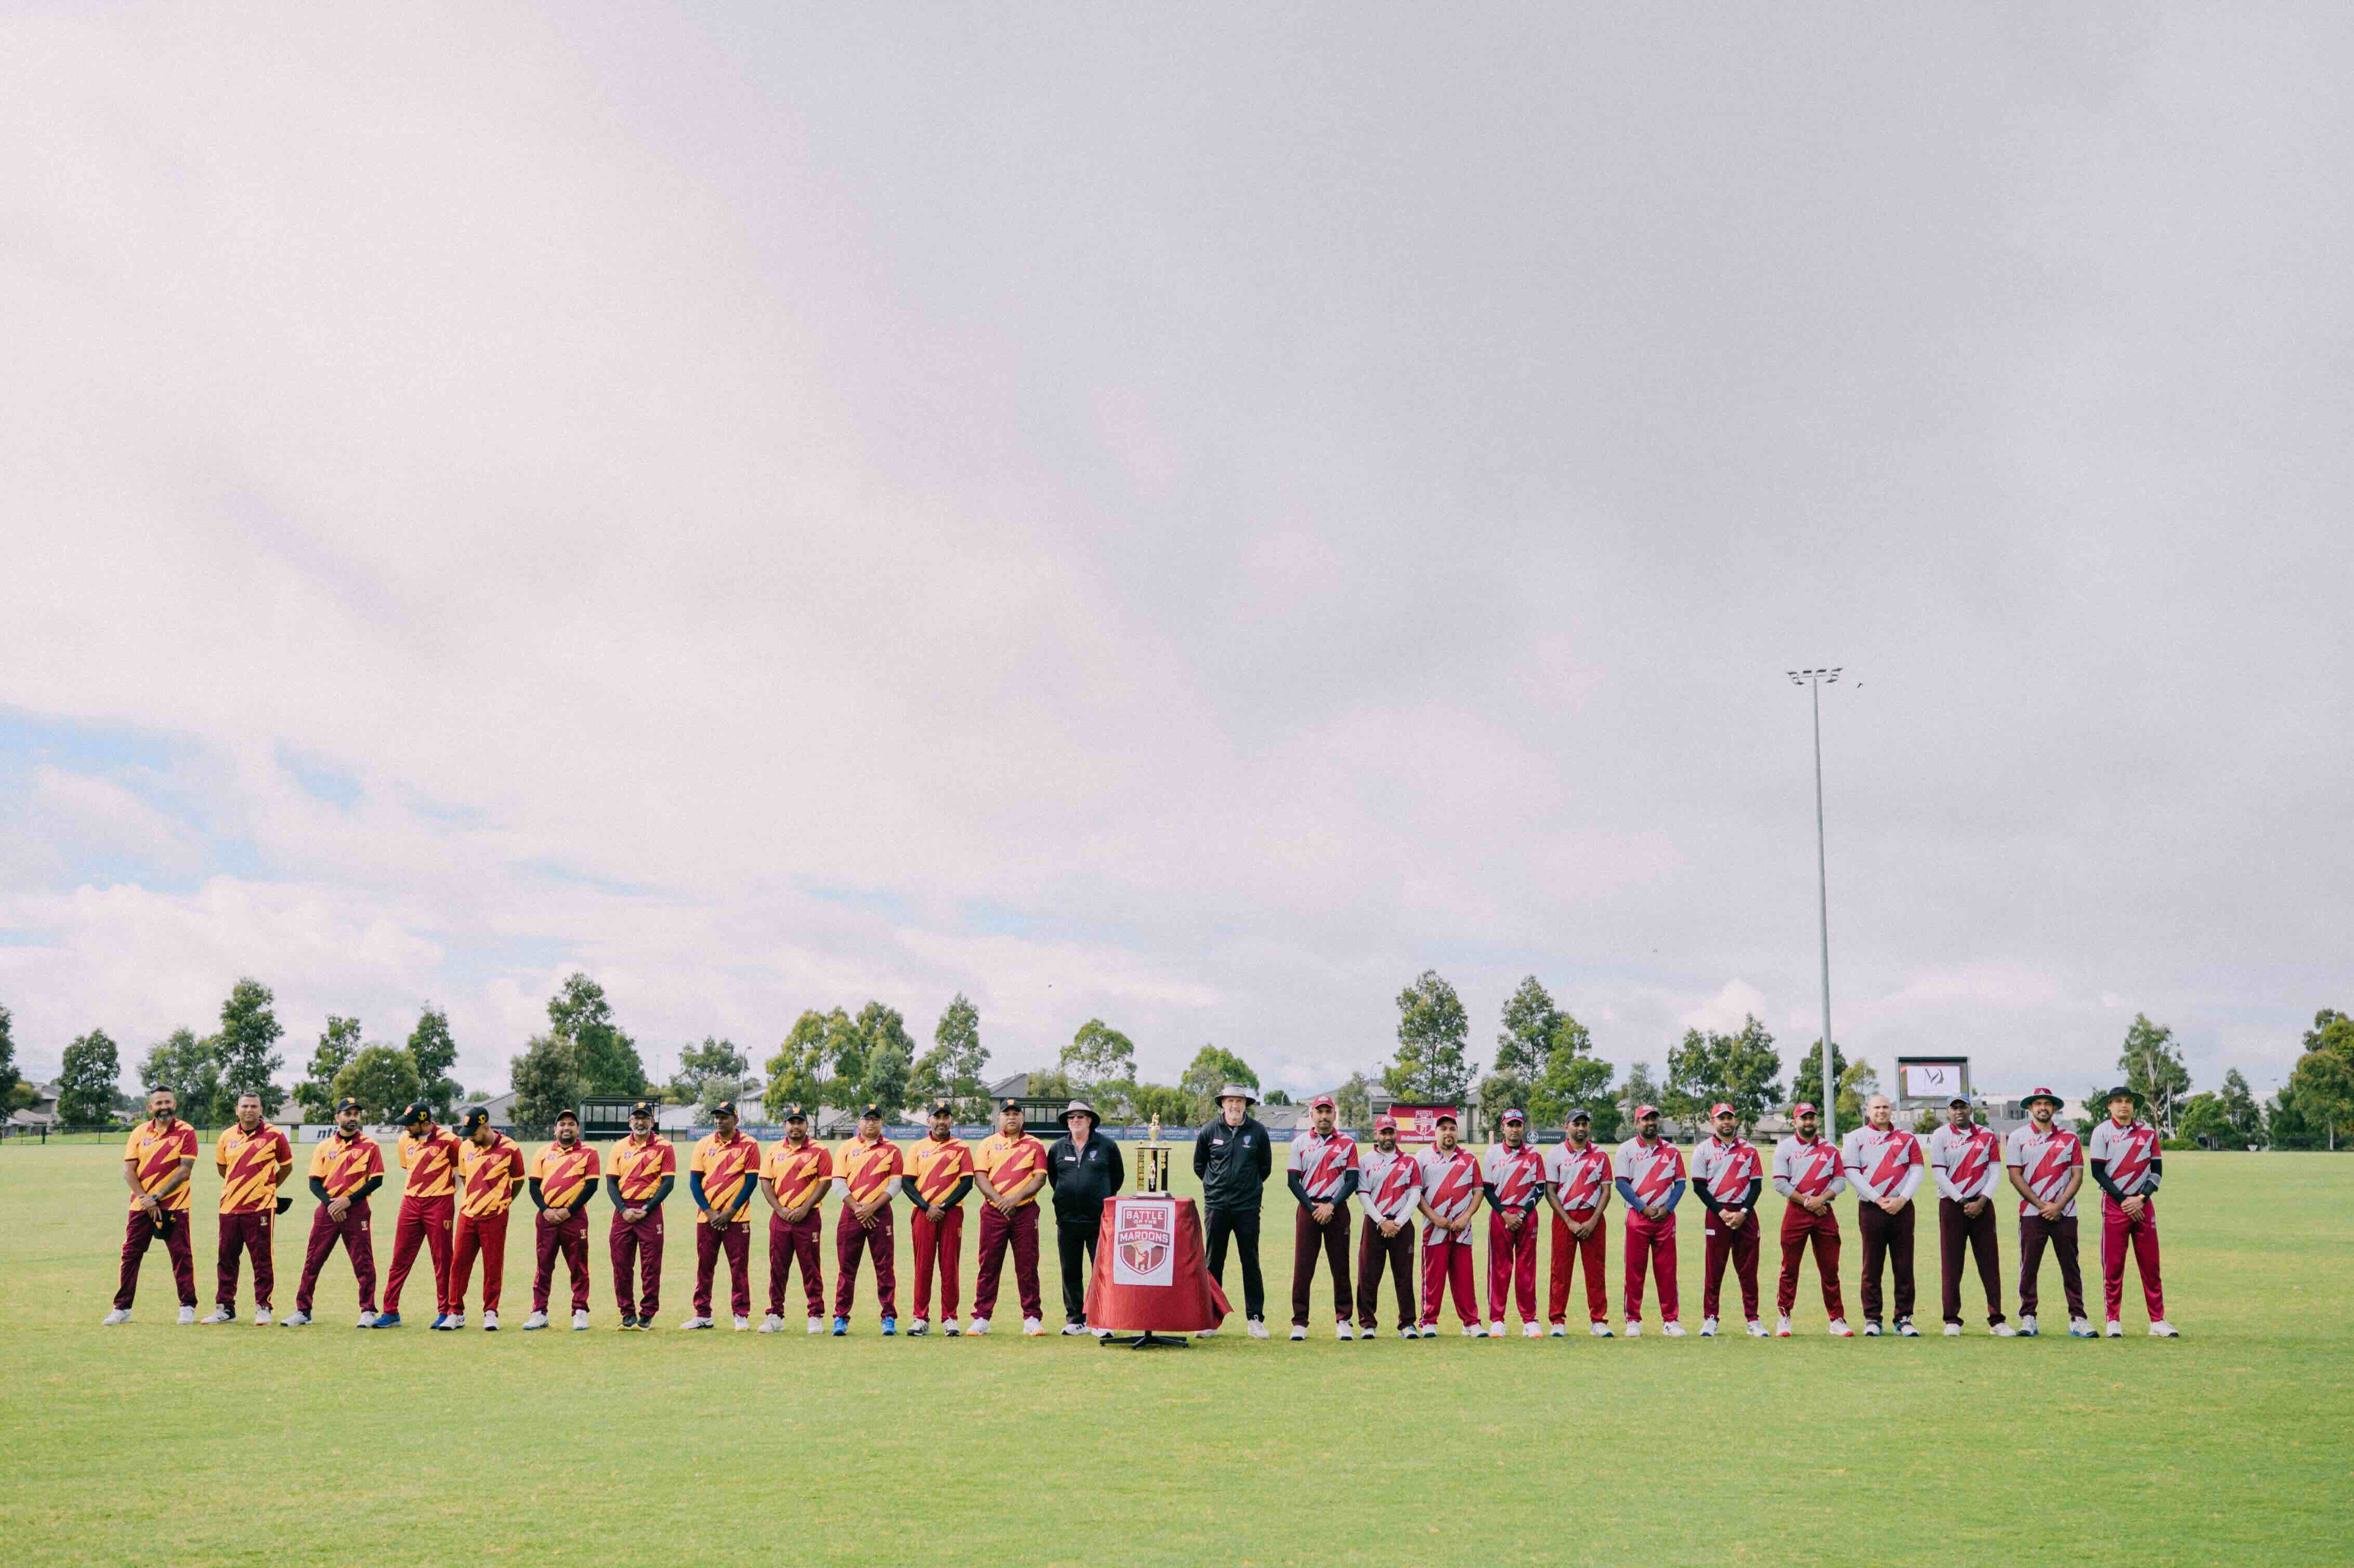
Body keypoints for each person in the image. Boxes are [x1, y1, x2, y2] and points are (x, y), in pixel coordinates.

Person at [286, 1096, 385, 1328]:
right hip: (327, 1210)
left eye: (356, 1114)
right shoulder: (324, 1147)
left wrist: (348, 1201)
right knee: (313, 1260)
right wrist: (332, 1204)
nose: (352, 1118)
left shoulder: (371, 1146)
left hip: (357, 1209)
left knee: (363, 1261)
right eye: (347, 1114)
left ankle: (368, 1310)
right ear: (337, 1118)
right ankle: (303, 1310)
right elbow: (314, 1182)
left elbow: (377, 1180)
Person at [104, 1087, 200, 1326]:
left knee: (181, 1255)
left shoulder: (186, 1132)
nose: (163, 1106)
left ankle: (187, 1305)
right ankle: (122, 1308)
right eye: (158, 1103)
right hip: (141, 1205)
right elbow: (129, 1171)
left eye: (167, 1102)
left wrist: (156, 1197)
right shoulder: (138, 1133)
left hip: (175, 1204)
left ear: (175, 1104)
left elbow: (185, 1171)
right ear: (150, 1108)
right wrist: (145, 1199)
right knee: (131, 1254)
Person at [2088, 1086, 2177, 1337]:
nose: (2123, 1105)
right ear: (2109, 1106)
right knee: (2114, 1265)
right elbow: (2097, 1172)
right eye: (2118, 1101)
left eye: (2128, 1101)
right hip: (2115, 1205)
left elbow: (2157, 1171)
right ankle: (2113, 1320)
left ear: (2134, 1106)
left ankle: (2157, 1320)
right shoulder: (2101, 1133)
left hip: (2143, 1205)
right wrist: (2124, 1200)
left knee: (2151, 1265)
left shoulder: (2148, 1133)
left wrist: (2140, 1198)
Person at [2003, 1087, 2092, 1338]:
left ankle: (2078, 1318)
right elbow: (2014, 1176)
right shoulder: (2018, 1137)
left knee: (2071, 1267)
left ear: (2054, 1108)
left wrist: (2059, 1206)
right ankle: (2028, 1317)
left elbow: (2077, 1175)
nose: (2043, 1107)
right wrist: (2043, 1206)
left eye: (2047, 1104)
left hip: (2066, 1213)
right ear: (2031, 1108)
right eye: (2038, 1104)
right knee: (2029, 1267)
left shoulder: (2070, 1138)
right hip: (2032, 1214)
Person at [202, 1090, 293, 1326]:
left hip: (261, 1208)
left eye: (254, 1106)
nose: (249, 1110)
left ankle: (263, 1306)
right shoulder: (226, 1137)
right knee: (226, 1259)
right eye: (245, 1106)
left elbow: (286, 1167)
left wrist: (267, 1186)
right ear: (237, 1110)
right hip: (229, 1208)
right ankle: (225, 1308)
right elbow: (224, 1170)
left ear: (261, 1110)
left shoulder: (275, 1135)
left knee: (262, 1260)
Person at [1929, 1094, 2012, 1337]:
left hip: (1983, 1205)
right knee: (1952, 1264)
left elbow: (1995, 1172)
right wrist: (1963, 1200)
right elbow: (1939, 1174)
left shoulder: (1986, 1135)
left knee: (1989, 1264)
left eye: (1963, 1107)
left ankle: (1997, 1320)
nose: (1959, 1112)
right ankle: (1952, 1320)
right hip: (1952, 1205)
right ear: (1948, 1112)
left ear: (1970, 1109)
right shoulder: (1940, 1136)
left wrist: (1982, 1201)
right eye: (1954, 1108)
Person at [1841, 1094, 1925, 1337]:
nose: (1881, 1111)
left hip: (1902, 1208)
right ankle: (1872, 1318)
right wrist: (1878, 1199)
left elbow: (1917, 1171)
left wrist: (1902, 1199)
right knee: (1872, 1265)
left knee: (1904, 1264)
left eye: (1886, 1107)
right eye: (1877, 1107)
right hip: (1871, 1208)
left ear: (1892, 1111)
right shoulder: (1857, 1138)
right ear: (1868, 1111)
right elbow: (1852, 1172)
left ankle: (1904, 1318)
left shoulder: (1907, 1138)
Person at [1194, 1084, 1273, 1339]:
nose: (1235, 1106)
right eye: (1230, 1101)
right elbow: (1200, 1166)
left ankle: (1255, 1319)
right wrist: (1215, 1187)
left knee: (1250, 1261)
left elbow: (1265, 1168)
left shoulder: (1258, 1132)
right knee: (1213, 1262)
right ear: (1223, 1104)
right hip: (1217, 1206)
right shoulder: (1209, 1131)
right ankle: (1209, 1319)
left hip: (1247, 1207)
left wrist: (1247, 1189)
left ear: (1245, 1104)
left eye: (1239, 1101)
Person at [375, 1102, 460, 1329]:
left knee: (443, 1260)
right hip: (410, 1203)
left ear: (425, 1123)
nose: (405, 1129)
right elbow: (408, 1171)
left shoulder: (450, 1141)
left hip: (440, 1204)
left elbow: (460, 1175)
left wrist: (442, 1194)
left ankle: (446, 1311)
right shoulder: (404, 1141)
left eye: (410, 1124)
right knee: (399, 1259)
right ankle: (390, 1311)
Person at [1282, 1095, 1359, 1340]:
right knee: (1303, 1268)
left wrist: (1331, 1205)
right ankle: (1300, 1322)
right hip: (1308, 1209)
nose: (1324, 1116)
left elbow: (1352, 1181)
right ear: (1312, 1115)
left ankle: (1344, 1320)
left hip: (1337, 1211)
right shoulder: (1300, 1143)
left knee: (1341, 1267)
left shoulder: (1348, 1143)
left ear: (1334, 1114)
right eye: (1320, 1112)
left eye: (1328, 1112)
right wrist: (1313, 1207)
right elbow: (1293, 1180)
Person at [1770, 1102, 1851, 1337]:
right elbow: (1780, 1183)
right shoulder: (1785, 1148)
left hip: (1824, 1212)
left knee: (1830, 1270)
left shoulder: (1830, 1148)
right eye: (1803, 1118)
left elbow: (1840, 1181)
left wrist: (1821, 1199)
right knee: (1790, 1268)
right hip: (1796, 1212)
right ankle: (1784, 1317)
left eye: (1812, 1118)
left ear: (1817, 1121)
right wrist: (1807, 1202)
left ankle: (1837, 1319)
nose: (1808, 1122)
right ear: (1795, 1122)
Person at [970, 1098, 1050, 1336]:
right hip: (993, 1212)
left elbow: (1040, 1178)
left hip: (1024, 1211)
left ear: (1023, 1118)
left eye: (1016, 1113)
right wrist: (1000, 1200)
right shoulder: (987, 1144)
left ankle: (1032, 1317)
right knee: (988, 1265)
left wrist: (1014, 1200)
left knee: (1027, 1265)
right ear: (999, 1118)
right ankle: (982, 1317)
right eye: (1007, 1113)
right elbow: (981, 1177)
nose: (1012, 1117)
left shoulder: (1035, 1145)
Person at [1045, 1099, 1123, 1336]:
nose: (1076, 1120)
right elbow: (1054, 1178)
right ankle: (1076, 1319)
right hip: (1067, 1219)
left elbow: (1117, 1178)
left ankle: (1101, 1319)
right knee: (1070, 1270)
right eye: (1072, 1117)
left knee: (1101, 1270)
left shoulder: (1107, 1146)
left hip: (1098, 1220)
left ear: (1090, 1120)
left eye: (1081, 1116)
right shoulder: (1058, 1148)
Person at [1690, 1103, 1767, 1338]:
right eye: (1721, 1118)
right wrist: (1721, 1212)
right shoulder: (1703, 1150)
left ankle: (1753, 1320)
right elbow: (1699, 1187)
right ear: (1712, 1122)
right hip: (1717, 1215)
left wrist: (1743, 1212)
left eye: (1729, 1118)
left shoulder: (1750, 1150)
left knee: (1748, 1270)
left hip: (1745, 1214)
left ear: (1735, 1121)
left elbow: (1756, 1185)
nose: (1726, 1122)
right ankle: (1710, 1319)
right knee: (1714, 1268)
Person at [447, 1105, 526, 1330]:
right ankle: (455, 1312)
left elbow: (518, 1180)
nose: (470, 1136)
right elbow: (464, 1177)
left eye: (474, 1132)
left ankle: (490, 1312)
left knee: (493, 1265)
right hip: (468, 1214)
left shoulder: (510, 1149)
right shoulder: (465, 1149)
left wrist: (505, 1201)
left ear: (487, 1127)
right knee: (459, 1264)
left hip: (495, 1216)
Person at [904, 1100, 977, 1337]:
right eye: (937, 1117)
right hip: (924, 1214)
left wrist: (943, 1206)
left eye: (946, 1117)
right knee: (923, 1266)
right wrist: (927, 1207)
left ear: (952, 1121)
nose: (942, 1121)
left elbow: (967, 1182)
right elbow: (907, 1182)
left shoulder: (961, 1148)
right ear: (929, 1121)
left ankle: (950, 1318)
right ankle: (920, 1318)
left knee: (950, 1266)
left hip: (951, 1213)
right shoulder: (917, 1148)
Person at [685, 1100, 761, 1329]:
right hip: (706, 1218)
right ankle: (703, 1314)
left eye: (724, 1117)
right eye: (717, 1117)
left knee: (739, 1267)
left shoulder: (749, 1145)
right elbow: (695, 1182)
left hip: (737, 1218)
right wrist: (709, 1212)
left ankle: (741, 1314)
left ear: (736, 1120)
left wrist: (730, 1211)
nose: (719, 1121)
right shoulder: (703, 1144)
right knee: (704, 1266)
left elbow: (751, 1182)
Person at [1613, 1104, 1686, 1337]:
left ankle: (1671, 1320)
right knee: (1634, 1270)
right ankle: (1633, 1320)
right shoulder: (1626, 1150)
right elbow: (1622, 1183)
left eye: (1654, 1119)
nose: (1650, 1123)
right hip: (1638, 1217)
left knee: (1667, 1271)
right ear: (1637, 1124)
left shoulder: (1672, 1151)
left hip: (1665, 1219)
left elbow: (1681, 1183)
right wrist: (1643, 1208)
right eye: (1645, 1120)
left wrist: (1668, 1208)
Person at [523, 1108, 599, 1330]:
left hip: (574, 1218)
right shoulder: (543, 1152)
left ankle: (580, 1310)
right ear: (555, 1129)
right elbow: (534, 1186)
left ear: (578, 1129)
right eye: (562, 1124)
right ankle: (539, 1312)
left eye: (571, 1124)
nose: (566, 1128)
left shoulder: (589, 1152)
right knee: (544, 1265)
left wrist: (569, 1210)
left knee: (578, 1265)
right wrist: (545, 1210)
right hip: (546, 1217)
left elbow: (591, 1186)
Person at [757, 1105, 831, 1334]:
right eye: (792, 1122)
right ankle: (775, 1316)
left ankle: (815, 1315)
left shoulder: (820, 1150)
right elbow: (765, 1182)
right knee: (777, 1268)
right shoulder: (773, 1150)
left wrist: (805, 1207)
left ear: (807, 1125)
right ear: (785, 1125)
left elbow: (825, 1181)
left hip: (808, 1218)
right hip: (780, 1218)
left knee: (810, 1267)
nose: (796, 1126)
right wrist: (779, 1209)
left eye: (800, 1122)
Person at [832, 1104, 904, 1335]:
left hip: (880, 1214)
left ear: (882, 1122)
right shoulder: (846, 1147)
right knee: (847, 1268)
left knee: (885, 1268)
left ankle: (888, 1318)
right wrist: (858, 1208)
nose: (871, 1123)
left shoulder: (892, 1150)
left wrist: (872, 1208)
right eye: (867, 1119)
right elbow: (838, 1182)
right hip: (851, 1214)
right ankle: (841, 1317)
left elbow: (895, 1184)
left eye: (876, 1119)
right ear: (859, 1122)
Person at [1543, 1108, 1614, 1338]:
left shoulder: (1601, 1155)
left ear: (1589, 1127)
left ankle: (1599, 1321)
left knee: (1596, 1271)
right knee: (1560, 1271)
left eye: (1584, 1124)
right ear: (1567, 1127)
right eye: (1576, 1124)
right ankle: (1557, 1321)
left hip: (1592, 1218)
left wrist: (1593, 1220)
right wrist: (1569, 1221)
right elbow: (1551, 1192)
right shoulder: (1555, 1155)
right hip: (1565, 1218)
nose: (1581, 1128)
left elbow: (1606, 1191)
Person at [605, 1099, 674, 1330]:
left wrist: (646, 1209)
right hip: (623, 1212)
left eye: (645, 1118)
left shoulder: (665, 1146)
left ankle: (647, 1314)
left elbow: (668, 1183)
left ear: (652, 1121)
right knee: (621, 1264)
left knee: (651, 1266)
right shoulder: (619, 1147)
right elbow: (611, 1183)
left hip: (650, 1211)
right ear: (629, 1121)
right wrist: (624, 1210)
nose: (640, 1122)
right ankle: (627, 1313)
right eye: (636, 1118)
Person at [1415, 1111, 1484, 1336]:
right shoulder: (1423, 1157)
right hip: (1433, 1230)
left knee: (1464, 1278)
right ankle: (1428, 1322)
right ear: (1436, 1133)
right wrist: (1435, 1218)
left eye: (1452, 1129)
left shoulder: (1469, 1158)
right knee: (1433, 1279)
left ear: (1457, 1132)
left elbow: (1478, 1191)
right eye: (1443, 1129)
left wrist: (1466, 1218)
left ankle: (1471, 1323)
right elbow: (1417, 1194)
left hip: (1462, 1230)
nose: (1448, 1133)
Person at [1353, 1115, 1421, 1339]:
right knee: (1368, 1274)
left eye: (1391, 1132)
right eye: (1383, 1132)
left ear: (1396, 1134)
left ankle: (1408, 1324)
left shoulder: (1409, 1162)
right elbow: (1363, 1194)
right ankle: (1367, 1324)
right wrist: (1382, 1221)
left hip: (1402, 1225)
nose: (1387, 1137)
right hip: (1374, 1223)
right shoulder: (1366, 1161)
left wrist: (1398, 1222)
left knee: (1404, 1275)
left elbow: (1414, 1195)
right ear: (1376, 1134)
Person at [1480, 1109, 1546, 1339]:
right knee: (1499, 1268)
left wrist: (1522, 1214)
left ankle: (1530, 1320)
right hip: (1501, 1215)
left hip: (1527, 1216)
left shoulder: (1534, 1155)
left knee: (1527, 1269)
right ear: (1503, 1127)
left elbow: (1540, 1189)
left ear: (1523, 1127)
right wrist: (1505, 1214)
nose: (1515, 1130)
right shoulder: (1492, 1154)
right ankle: (1497, 1320)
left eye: (1518, 1125)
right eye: (1511, 1125)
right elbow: (1487, 1189)